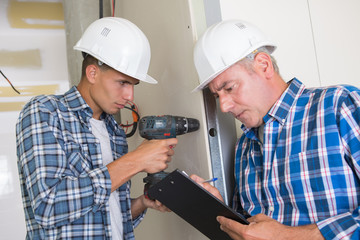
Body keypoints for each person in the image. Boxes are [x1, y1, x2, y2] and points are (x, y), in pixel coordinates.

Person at [191, 19, 360, 240]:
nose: (224, 106)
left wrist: (289, 236)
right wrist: (221, 212)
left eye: (230, 88)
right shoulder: (245, 146)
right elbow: (253, 230)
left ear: (264, 65)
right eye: (217, 96)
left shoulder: (338, 105)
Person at [16, 17, 177, 240]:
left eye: (133, 85)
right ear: (92, 73)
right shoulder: (46, 112)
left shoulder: (115, 132)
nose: (130, 96)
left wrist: (141, 203)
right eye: (123, 82)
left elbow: (101, 221)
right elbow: (48, 207)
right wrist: (136, 160)